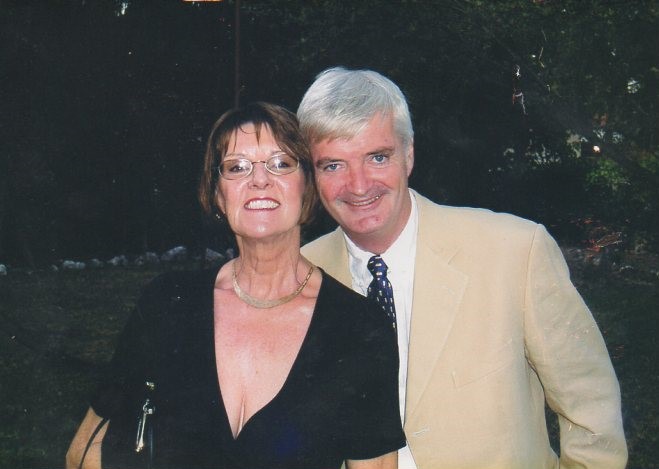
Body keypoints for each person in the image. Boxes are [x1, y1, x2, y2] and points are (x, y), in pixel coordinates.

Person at [298, 67, 628, 469]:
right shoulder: (299, 277)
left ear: (409, 154)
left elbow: (591, 408)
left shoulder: (514, 251)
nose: (359, 185)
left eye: (378, 157)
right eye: (333, 165)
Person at [66, 102, 405, 469]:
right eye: (237, 167)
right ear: (217, 194)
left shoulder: (357, 328)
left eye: (280, 163)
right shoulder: (167, 304)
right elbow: (85, 451)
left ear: (307, 186)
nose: (259, 180)